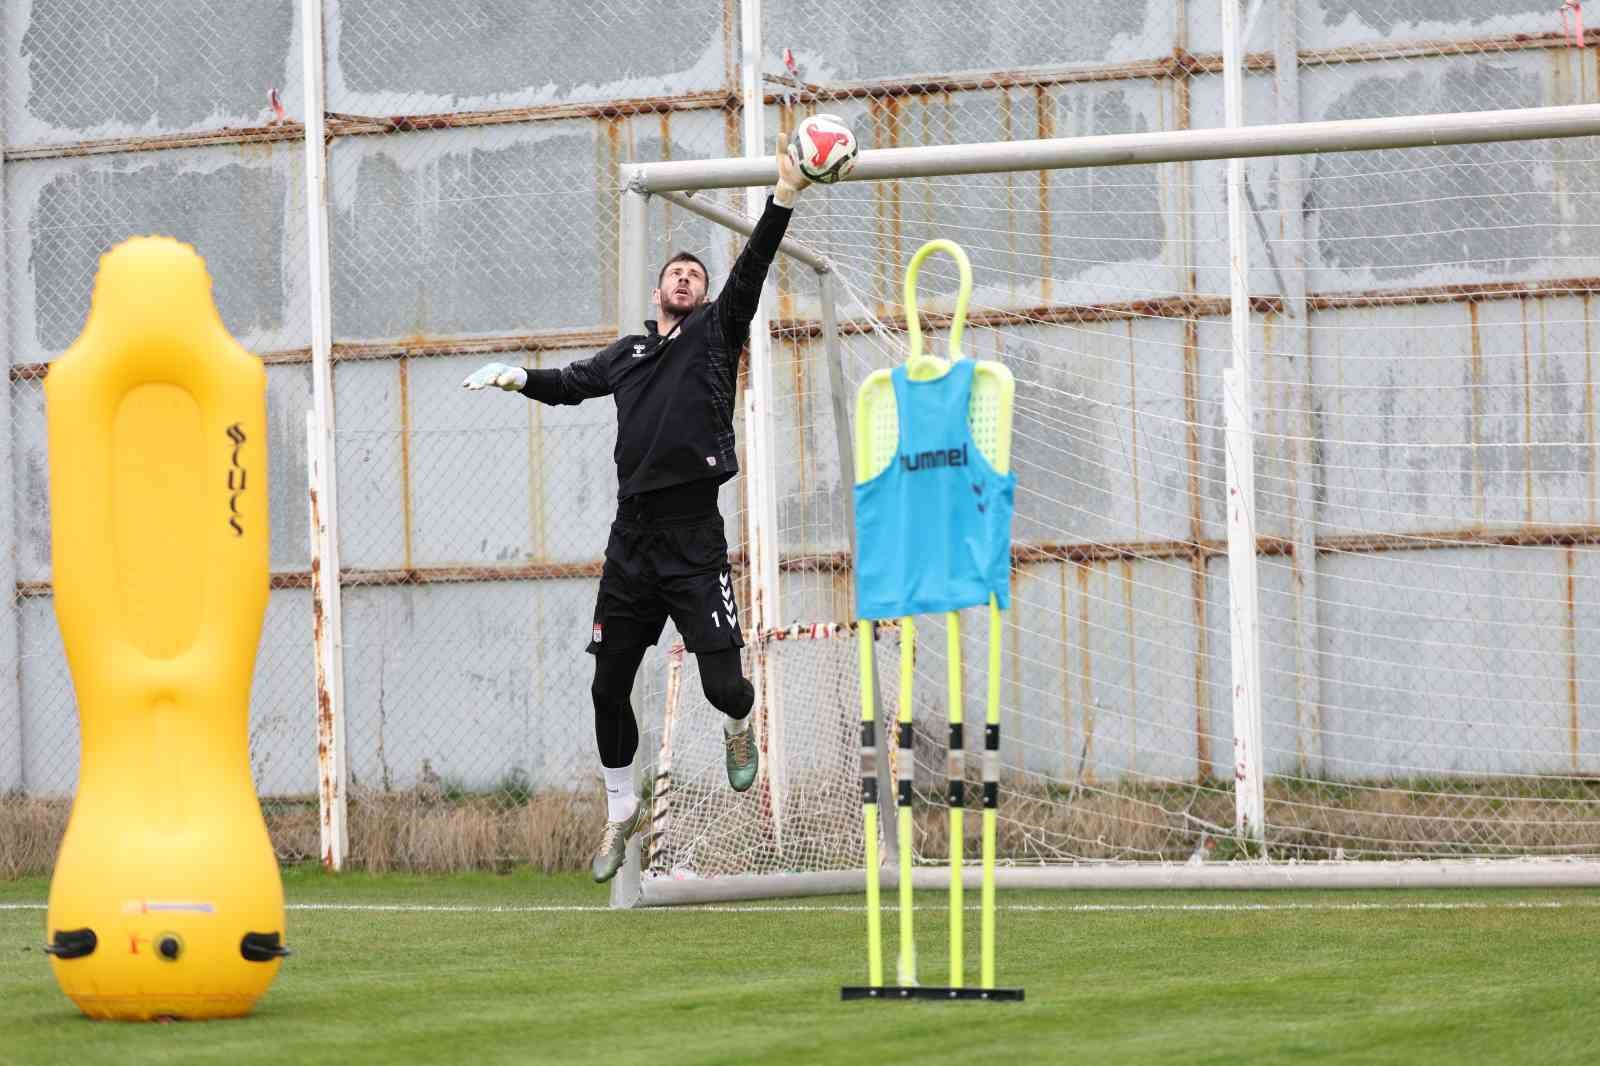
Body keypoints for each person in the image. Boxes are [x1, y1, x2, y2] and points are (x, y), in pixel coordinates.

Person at [462, 139, 811, 883]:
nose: (685, 277)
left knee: (723, 687)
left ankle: (740, 725)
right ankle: (621, 809)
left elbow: (753, 266)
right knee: (607, 684)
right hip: (632, 542)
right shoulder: (626, 354)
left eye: (696, 274)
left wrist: (784, 192)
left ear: (704, 295)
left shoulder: (716, 334)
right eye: (674, 273)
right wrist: (517, 376)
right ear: (657, 293)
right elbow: (570, 384)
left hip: (694, 539)